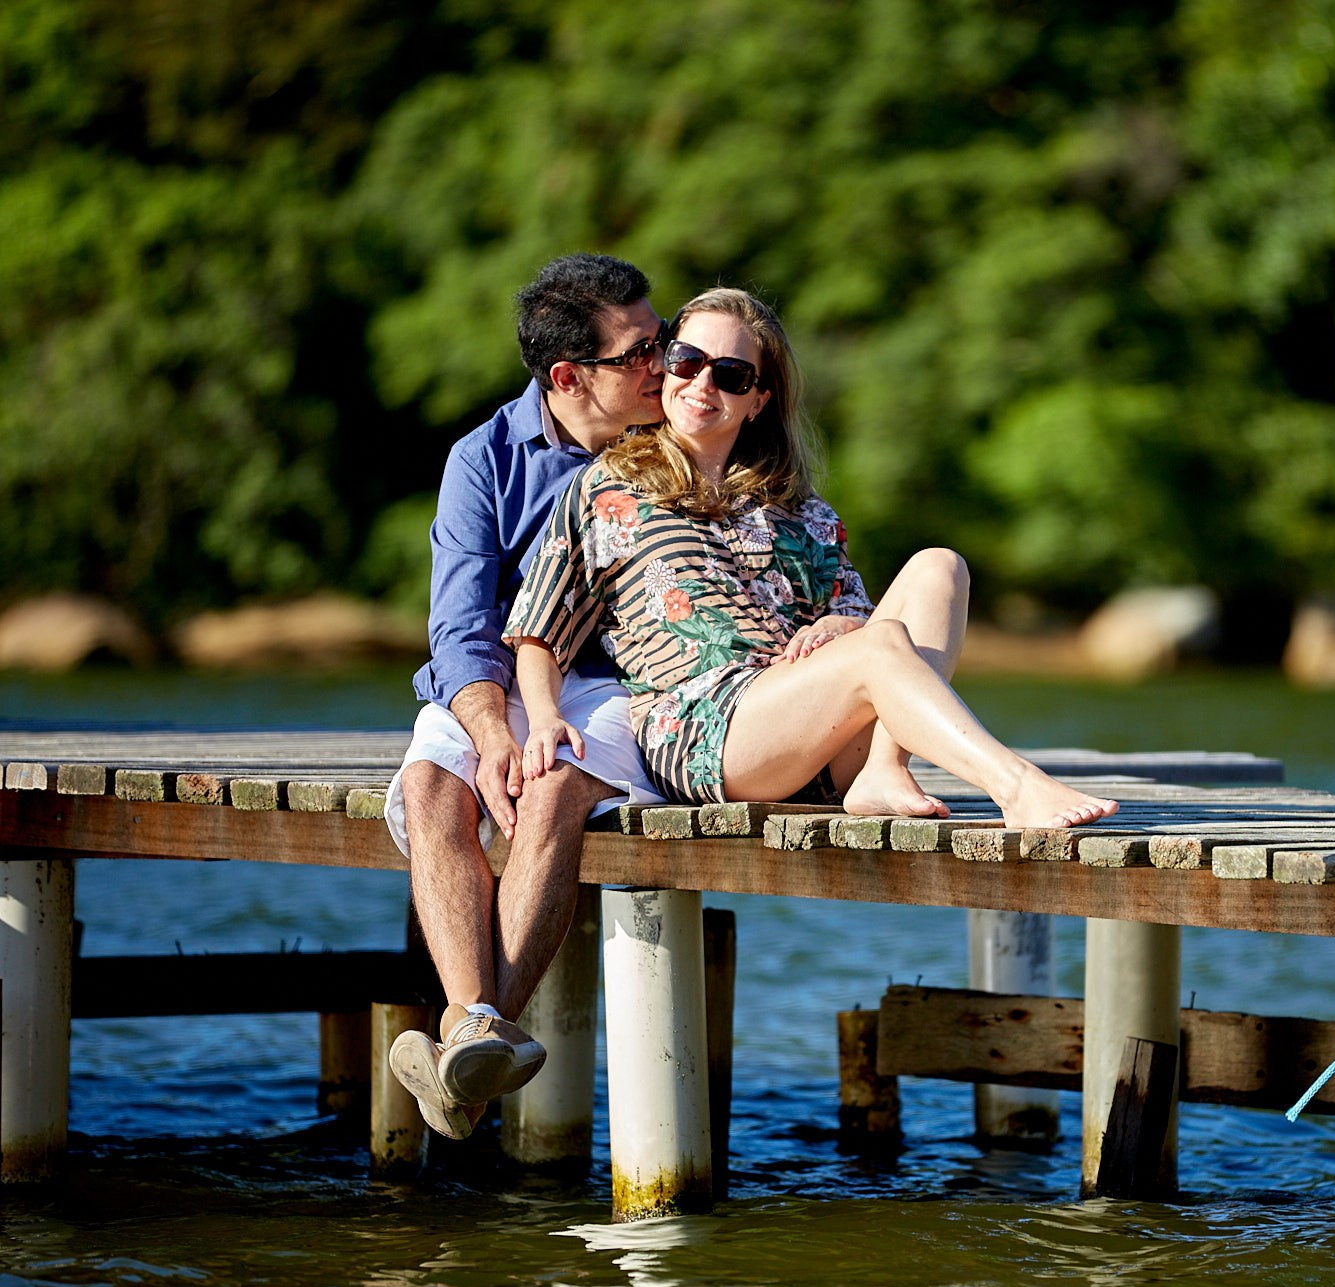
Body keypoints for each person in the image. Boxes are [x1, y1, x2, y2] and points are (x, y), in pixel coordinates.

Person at [503, 286, 1118, 832]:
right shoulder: (609, 488)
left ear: (759, 400)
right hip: (705, 731)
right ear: (665, 369)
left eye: (732, 375)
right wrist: (544, 717)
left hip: (816, 735)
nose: (703, 384)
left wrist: (840, 624)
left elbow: (866, 618)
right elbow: (540, 626)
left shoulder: (798, 506)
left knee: (939, 566)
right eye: (687, 361)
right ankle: (1015, 785)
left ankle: (883, 770)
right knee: (876, 649)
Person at [381, 253, 668, 1141]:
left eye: (662, 340)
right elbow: (459, 627)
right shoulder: (484, 459)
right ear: (568, 377)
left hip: (612, 688)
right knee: (434, 787)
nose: (667, 365)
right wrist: (488, 730)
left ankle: (461, 1046)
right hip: (497, 686)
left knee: (552, 787)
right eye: (641, 353)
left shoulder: (674, 448)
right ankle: (480, 1029)